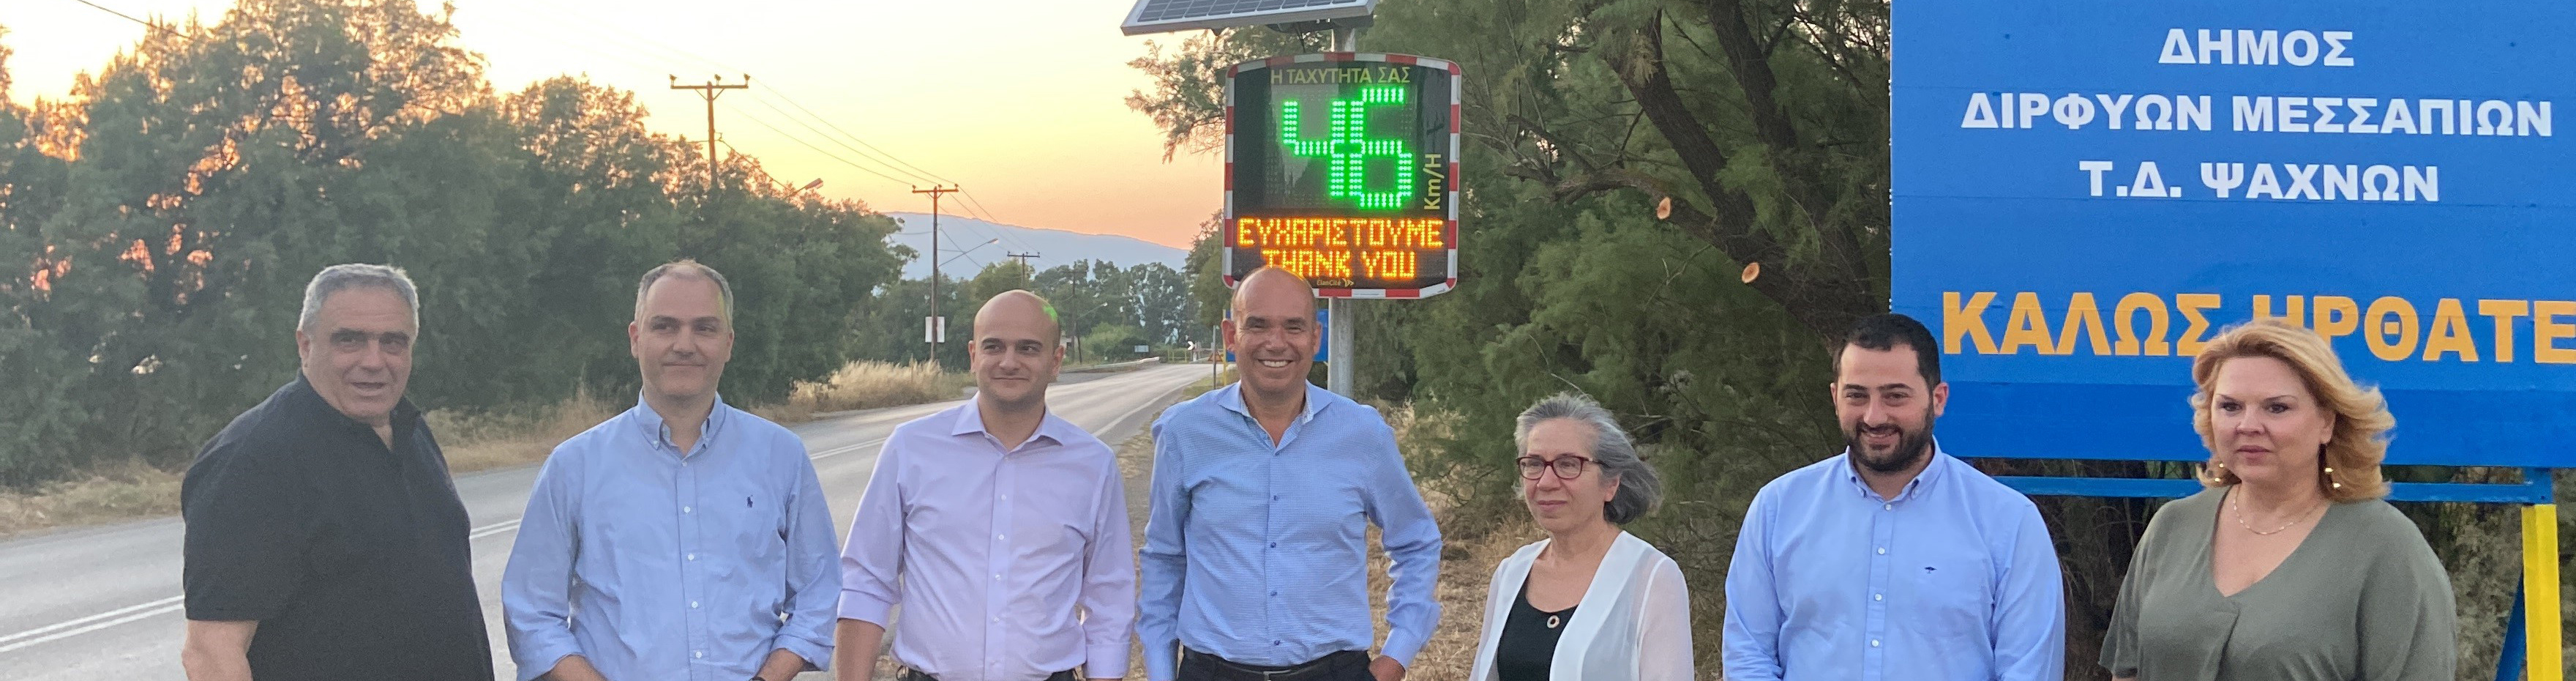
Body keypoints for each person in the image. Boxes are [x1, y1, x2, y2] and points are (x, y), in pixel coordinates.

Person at [502, 260, 839, 681]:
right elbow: (531, 615)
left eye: (704, 328)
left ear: (729, 343)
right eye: (664, 327)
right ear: (635, 338)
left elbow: (819, 594)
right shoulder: (574, 466)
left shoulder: (782, 456)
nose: (685, 344)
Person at [180, 264, 495, 681]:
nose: (373, 361)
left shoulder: (408, 430)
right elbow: (211, 654)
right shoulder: (253, 461)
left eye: (393, 342)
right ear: (305, 345)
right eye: (350, 340)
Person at [2100, 319, 2455, 680]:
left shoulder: (2388, 547)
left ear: (2326, 423)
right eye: (2230, 407)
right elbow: (2126, 672)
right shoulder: (2172, 527)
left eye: (2277, 408)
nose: (2248, 425)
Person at [1721, 313, 2065, 681]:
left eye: (1895, 396)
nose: (1874, 416)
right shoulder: (1778, 509)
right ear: (1836, 397)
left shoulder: (2009, 522)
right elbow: (1748, 656)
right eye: (1857, 395)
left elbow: (2028, 670)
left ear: (1938, 399)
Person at [1138, 267, 1444, 681]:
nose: (1276, 342)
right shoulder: (1184, 433)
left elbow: (1416, 542)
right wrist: (1160, 672)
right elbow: (1164, 559)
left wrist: (1397, 654)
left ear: (1315, 338)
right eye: (1257, 325)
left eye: (1293, 327)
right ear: (1231, 336)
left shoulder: (1363, 434)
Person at [834, 290, 1135, 681]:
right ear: (974, 354)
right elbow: (866, 582)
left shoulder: (1094, 465)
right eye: (995, 347)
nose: (1009, 362)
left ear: (1056, 360)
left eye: (1028, 348)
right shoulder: (911, 449)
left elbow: (1109, 600)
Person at [1466, 393, 1693, 681]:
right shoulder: (1511, 574)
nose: (1546, 482)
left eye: (1569, 464)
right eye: (1534, 464)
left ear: (1611, 483)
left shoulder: (1652, 578)